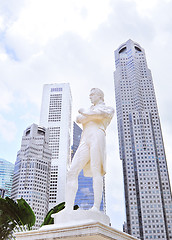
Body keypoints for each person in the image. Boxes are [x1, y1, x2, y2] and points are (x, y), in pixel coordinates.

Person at [65, 88, 114, 212]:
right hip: (84, 140)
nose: (90, 97)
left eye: (92, 95)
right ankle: (68, 208)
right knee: (72, 171)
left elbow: (100, 115)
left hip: (97, 136)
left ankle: (96, 207)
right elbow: (79, 119)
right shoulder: (90, 110)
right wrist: (88, 115)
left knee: (96, 170)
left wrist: (85, 113)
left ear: (100, 96)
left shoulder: (108, 109)